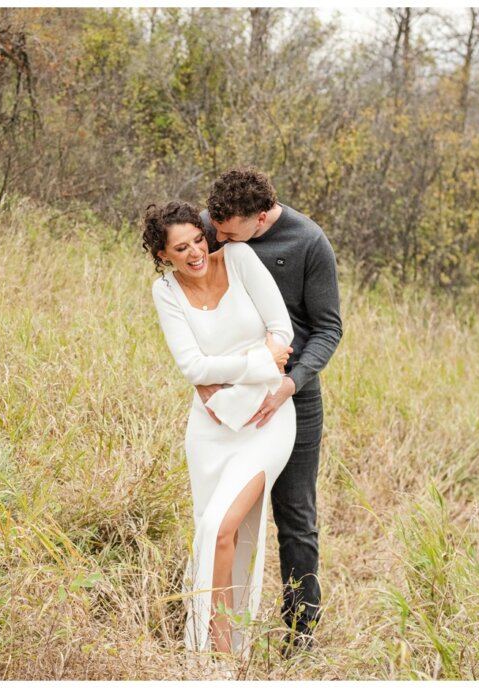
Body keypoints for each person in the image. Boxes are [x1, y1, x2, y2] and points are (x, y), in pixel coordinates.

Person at [143, 200, 297, 664]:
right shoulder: (164, 291)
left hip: (265, 418)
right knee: (214, 534)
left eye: (198, 241)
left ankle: (219, 652)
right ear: (162, 255)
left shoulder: (241, 259)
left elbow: (281, 332)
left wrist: (227, 377)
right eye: (180, 248)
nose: (194, 253)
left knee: (219, 528)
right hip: (210, 428)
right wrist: (256, 362)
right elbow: (192, 366)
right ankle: (215, 652)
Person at [199, 167, 342, 655]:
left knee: (296, 518)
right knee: (222, 515)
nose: (216, 239)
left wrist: (291, 383)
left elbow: (328, 329)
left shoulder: (309, 242)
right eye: (214, 226)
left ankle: (300, 638)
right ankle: (215, 634)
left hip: (292, 399)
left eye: (228, 232)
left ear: (261, 218)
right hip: (228, 397)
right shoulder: (210, 227)